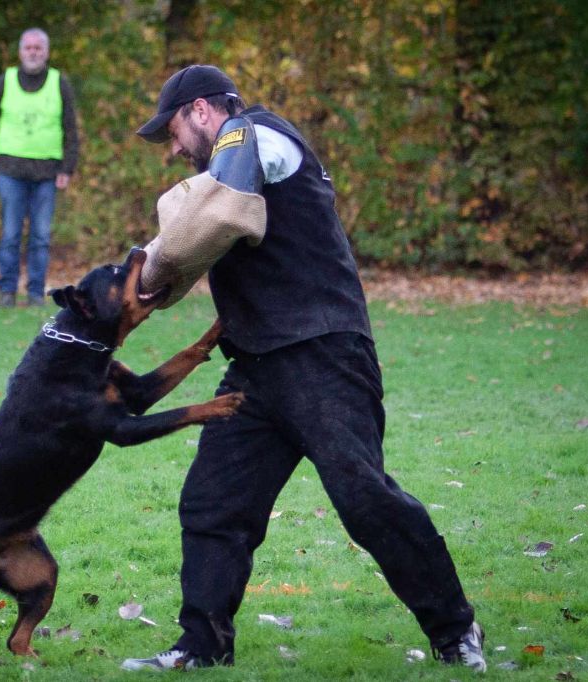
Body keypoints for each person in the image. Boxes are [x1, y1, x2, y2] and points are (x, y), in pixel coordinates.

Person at [120, 65, 486, 673]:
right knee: (213, 503)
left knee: (364, 497)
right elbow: (198, 235)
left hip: (322, 355)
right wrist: (146, 280)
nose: (175, 148)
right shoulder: (237, 151)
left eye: (176, 131)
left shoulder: (249, 135)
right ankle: (201, 647)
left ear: (203, 111)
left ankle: (455, 629)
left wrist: (141, 280)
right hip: (257, 367)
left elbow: (210, 223)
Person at [0, 28, 78, 307]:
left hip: (48, 174)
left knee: (41, 237)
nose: (33, 52)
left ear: (46, 52)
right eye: (28, 48)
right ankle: (6, 291)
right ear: (20, 51)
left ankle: (36, 294)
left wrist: (67, 169)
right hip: (10, 171)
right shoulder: (5, 81)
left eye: (38, 48)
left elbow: (70, 129)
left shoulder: (59, 83)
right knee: (10, 234)